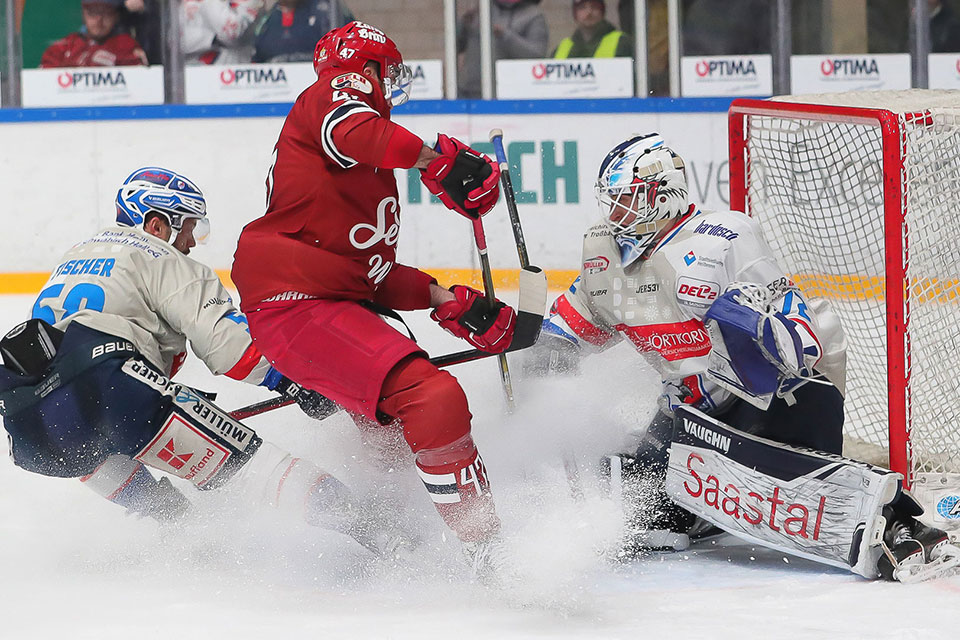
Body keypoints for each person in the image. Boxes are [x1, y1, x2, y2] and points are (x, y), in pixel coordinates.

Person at [525, 133, 958, 581]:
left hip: (779, 401)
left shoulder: (724, 239)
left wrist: (747, 323)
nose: (615, 214)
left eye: (626, 200)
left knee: (784, 487)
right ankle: (706, 506)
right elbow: (569, 328)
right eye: (610, 201)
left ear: (663, 192)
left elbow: (800, 343)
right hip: (690, 414)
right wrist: (535, 347)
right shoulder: (604, 255)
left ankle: (898, 524)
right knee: (633, 503)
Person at [231, 21, 515, 575]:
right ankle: (489, 552)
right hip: (295, 304)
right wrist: (438, 159)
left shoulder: (356, 174)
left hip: (327, 298)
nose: (393, 84)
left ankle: (393, 525)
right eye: (389, 71)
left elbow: (370, 275)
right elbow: (357, 128)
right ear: (367, 69)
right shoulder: (333, 94)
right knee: (433, 398)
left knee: (389, 430)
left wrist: (446, 299)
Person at [0, 167, 391, 554]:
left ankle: (179, 525)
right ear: (155, 225)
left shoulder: (75, 257)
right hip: (115, 386)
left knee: (87, 438)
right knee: (254, 470)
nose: (191, 242)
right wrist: (293, 381)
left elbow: (70, 388)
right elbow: (229, 346)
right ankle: (384, 534)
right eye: (188, 228)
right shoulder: (160, 256)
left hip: (28, 423)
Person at [457, 0, 548, 99]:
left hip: (510, 95)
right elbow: (455, 48)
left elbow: (537, 55)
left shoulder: (533, 15)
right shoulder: (481, 9)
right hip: (468, 93)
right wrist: (462, 25)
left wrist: (505, 35)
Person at [40, 0, 148, 68]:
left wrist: (114, 66)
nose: (99, 19)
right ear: (83, 14)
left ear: (116, 16)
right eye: (92, 12)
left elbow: (139, 85)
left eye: (105, 12)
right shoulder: (63, 47)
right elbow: (44, 84)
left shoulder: (127, 46)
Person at [252, 0, 354, 64]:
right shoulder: (268, 18)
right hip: (275, 87)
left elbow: (349, 44)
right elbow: (257, 56)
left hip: (317, 78)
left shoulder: (326, 9)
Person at [181, 0, 264, 65]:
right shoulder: (178, 4)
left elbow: (232, 34)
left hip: (233, 70)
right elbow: (174, 39)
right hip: (190, 72)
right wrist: (211, 39)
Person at [553, 0, 632, 59]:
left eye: (594, 7)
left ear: (602, 12)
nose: (589, 12)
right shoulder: (562, 48)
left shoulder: (622, 43)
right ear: (575, 14)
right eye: (582, 7)